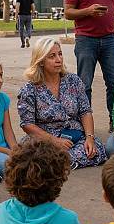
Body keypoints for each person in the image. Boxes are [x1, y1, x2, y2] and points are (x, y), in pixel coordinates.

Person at [17, 37, 107, 170]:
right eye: (52, 56)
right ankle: (55, 163)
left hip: (74, 137)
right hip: (44, 139)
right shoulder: (30, 89)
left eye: (60, 54)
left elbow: (85, 112)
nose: (58, 59)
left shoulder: (73, 81)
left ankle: (56, 164)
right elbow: (27, 124)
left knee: (95, 150)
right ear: (41, 61)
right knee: (35, 155)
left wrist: (89, 138)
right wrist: (54, 141)